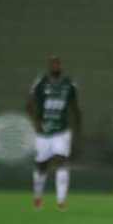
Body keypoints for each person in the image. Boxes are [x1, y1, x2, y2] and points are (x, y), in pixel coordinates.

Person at [26, 55, 81, 211]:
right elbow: (28, 104)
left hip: (62, 130)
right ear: (49, 67)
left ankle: (61, 201)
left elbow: (75, 108)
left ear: (62, 67)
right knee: (41, 165)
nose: (56, 66)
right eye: (53, 64)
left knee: (61, 160)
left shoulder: (69, 85)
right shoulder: (41, 83)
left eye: (59, 64)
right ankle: (38, 197)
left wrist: (77, 128)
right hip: (44, 131)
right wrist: (35, 121)